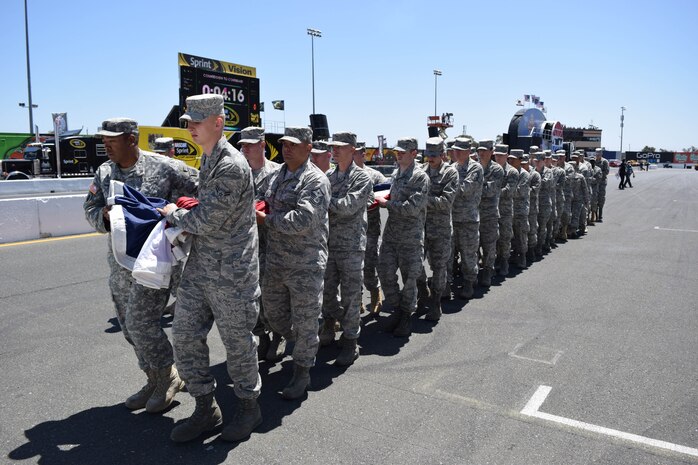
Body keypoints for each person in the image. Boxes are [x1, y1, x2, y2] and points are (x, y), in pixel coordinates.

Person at [157, 95, 262, 443]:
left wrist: (173, 212)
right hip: (202, 267)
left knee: (237, 343)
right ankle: (206, 408)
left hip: (232, 273)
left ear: (218, 122)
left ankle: (249, 406)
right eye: (188, 121)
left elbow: (206, 219)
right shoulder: (209, 157)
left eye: (196, 122)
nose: (190, 127)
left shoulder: (231, 165)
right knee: (185, 335)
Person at [83, 118, 198, 416]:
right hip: (121, 265)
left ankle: (168, 376)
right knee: (129, 328)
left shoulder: (164, 167)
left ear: (131, 139)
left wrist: (179, 220)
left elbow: (202, 190)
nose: (106, 144)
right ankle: (153, 377)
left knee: (142, 324)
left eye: (113, 139)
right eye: (104, 139)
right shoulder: (105, 172)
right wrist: (104, 217)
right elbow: (90, 208)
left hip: (155, 263)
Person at [257, 126, 331, 399]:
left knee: (305, 319)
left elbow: (302, 221)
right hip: (276, 261)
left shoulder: (315, 180)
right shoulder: (277, 175)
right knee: (273, 313)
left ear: (308, 148)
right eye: (284, 144)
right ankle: (301, 341)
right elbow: (265, 201)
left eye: (293, 144)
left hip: (305, 264)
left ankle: (302, 372)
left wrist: (266, 220)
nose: (286, 148)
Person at [319, 132, 372, 366]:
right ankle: (329, 326)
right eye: (333, 147)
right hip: (329, 243)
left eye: (340, 147)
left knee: (351, 296)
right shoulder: (328, 176)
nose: (335, 150)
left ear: (352, 149)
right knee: (327, 292)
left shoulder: (361, 178)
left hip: (351, 246)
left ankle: (351, 341)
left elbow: (348, 206)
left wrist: (321, 201)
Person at [237, 126, 283, 362]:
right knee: (249, 298)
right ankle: (261, 336)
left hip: (271, 245)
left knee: (271, 296)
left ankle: (277, 336)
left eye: (249, 144)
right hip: (245, 248)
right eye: (242, 144)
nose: (244, 148)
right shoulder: (238, 172)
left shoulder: (278, 173)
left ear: (262, 145)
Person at [377, 137, 429, 337]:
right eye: (397, 151)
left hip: (410, 238)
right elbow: (390, 194)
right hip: (391, 236)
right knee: (385, 273)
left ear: (414, 153)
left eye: (403, 152)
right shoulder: (396, 174)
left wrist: (386, 204)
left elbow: (413, 208)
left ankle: (406, 315)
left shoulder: (420, 177)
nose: (398, 154)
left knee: (409, 279)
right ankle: (398, 308)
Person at [416, 137, 458, 320]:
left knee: (440, 267)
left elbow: (446, 202)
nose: (430, 158)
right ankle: (423, 292)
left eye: (434, 155)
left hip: (440, 229)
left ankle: (436, 302)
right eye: (428, 154)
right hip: (421, 226)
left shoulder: (450, 173)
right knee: (415, 263)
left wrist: (421, 200)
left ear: (443, 155)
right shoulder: (421, 171)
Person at [353, 143, 387, 315]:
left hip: (370, 230)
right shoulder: (343, 175)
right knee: (352, 270)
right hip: (348, 232)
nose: (353, 156)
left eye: (357, 153)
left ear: (363, 155)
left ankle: (375, 292)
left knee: (368, 267)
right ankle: (356, 300)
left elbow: (386, 194)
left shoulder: (375, 175)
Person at [450, 138, 483, 299]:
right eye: (455, 150)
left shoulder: (475, 168)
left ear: (468, 152)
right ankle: (447, 282)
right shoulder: (452, 168)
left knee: (468, 254)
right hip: (451, 218)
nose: (456, 153)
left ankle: (469, 282)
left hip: (468, 219)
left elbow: (465, 189)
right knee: (449, 254)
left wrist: (445, 188)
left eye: (459, 150)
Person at [477, 140, 504, 287]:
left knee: (489, 245)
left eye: (485, 150)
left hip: (490, 215)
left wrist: (474, 187)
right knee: (473, 245)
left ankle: (488, 270)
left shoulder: (497, 170)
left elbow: (490, 191)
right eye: (479, 150)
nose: (481, 153)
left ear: (491, 151)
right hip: (473, 214)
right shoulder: (473, 167)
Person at [494, 144, 517, 276]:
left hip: (505, 210)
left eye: (501, 155)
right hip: (491, 209)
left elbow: (509, 191)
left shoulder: (512, 172)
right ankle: (496, 259)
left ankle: (504, 262)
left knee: (505, 237)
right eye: (497, 155)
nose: (498, 157)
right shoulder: (491, 169)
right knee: (493, 238)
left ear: (506, 156)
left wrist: (492, 191)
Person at [509, 149, 529, 269]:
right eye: (510, 158)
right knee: (508, 235)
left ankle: (522, 256)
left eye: (513, 159)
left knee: (520, 235)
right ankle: (512, 254)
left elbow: (520, 191)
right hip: (507, 209)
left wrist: (507, 191)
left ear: (520, 160)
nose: (510, 161)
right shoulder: (508, 172)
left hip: (520, 209)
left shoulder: (524, 175)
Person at [594, 148, 609, 221]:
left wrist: (598, 175)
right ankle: (594, 216)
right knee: (594, 198)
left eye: (599, 153)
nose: (597, 155)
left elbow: (606, 172)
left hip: (602, 183)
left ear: (601, 154)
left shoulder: (604, 161)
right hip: (594, 183)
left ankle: (600, 216)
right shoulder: (593, 161)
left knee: (601, 198)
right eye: (596, 153)